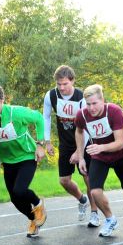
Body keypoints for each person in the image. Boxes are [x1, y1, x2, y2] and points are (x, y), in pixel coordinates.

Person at [74, 84, 123, 237]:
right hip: (99, 157)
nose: (91, 108)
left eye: (94, 103)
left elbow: (120, 143)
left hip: (120, 155)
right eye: (88, 104)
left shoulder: (113, 111)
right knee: (95, 191)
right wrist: (81, 157)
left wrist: (100, 147)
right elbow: (79, 131)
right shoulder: (81, 115)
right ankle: (110, 219)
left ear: (102, 100)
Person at [0, 82, 47, 238]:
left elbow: (39, 118)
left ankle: (38, 203)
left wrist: (40, 145)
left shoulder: (16, 113)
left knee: (20, 190)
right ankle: (33, 219)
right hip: (8, 161)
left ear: (2, 100)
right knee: (15, 199)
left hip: (27, 155)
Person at [43, 65, 99, 227]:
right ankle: (82, 200)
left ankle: (95, 213)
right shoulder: (51, 95)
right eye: (59, 84)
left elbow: (87, 126)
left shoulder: (82, 97)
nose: (62, 88)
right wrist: (47, 141)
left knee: (88, 178)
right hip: (65, 143)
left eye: (65, 84)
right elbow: (45, 118)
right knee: (64, 180)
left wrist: (79, 151)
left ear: (73, 81)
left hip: (85, 142)